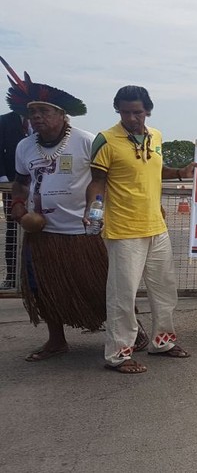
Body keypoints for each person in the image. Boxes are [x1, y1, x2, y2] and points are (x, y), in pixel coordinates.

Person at [86, 85, 193, 374]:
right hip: (123, 229)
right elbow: (97, 181)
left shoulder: (156, 136)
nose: (132, 118)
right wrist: (92, 211)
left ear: (147, 110)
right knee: (123, 296)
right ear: (118, 111)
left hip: (156, 226)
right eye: (125, 112)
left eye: (137, 112)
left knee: (165, 291)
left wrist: (182, 171)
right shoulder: (106, 140)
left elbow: (156, 170)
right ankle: (119, 355)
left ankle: (163, 342)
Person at [4, 61, 106, 361]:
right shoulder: (25, 147)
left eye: (44, 112)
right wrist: (20, 208)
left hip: (82, 230)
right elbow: (20, 184)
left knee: (100, 284)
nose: (36, 118)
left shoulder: (86, 141)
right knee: (44, 288)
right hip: (41, 232)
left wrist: (96, 210)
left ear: (62, 115)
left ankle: (129, 331)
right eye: (32, 113)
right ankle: (56, 340)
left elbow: (103, 181)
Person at [0, 60, 29, 289]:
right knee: (13, 228)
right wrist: (4, 181)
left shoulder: (40, 124)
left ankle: (33, 275)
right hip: (12, 184)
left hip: (39, 186)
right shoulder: (4, 122)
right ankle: (12, 275)